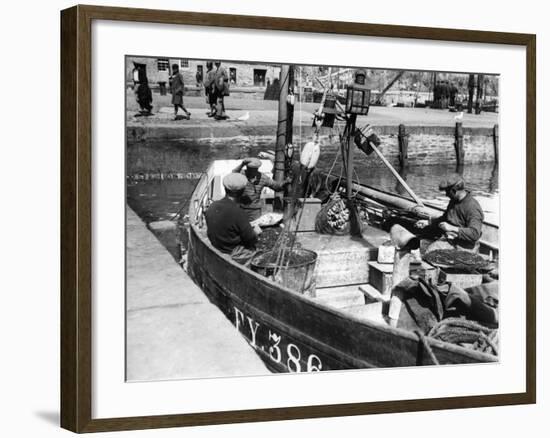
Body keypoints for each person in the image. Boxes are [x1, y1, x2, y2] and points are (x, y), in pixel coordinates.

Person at [415, 174, 484, 252]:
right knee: (419, 244)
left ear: (454, 191)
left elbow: (475, 233)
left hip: (465, 247)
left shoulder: (472, 206)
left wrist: (452, 228)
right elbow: (446, 218)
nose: (446, 194)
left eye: (447, 192)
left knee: (430, 252)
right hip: (451, 239)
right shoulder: (454, 201)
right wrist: (429, 222)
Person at [205, 173, 262, 265]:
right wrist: (256, 232)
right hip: (233, 253)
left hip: (216, 248)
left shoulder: (212, 206)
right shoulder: (238, 212)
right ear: (242, 191)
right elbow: (250, 239)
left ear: (225, 188)